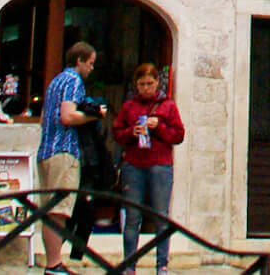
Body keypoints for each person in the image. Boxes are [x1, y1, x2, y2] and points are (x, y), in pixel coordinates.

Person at [38, 41, 106, 274]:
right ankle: (55, 263)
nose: (91, 69)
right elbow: (67, 117)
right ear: (79, 60)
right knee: (60, 211)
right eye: (90, 63)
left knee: (50, 211)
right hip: (64, 151)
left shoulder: (55, 81)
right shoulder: (73, 81)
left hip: (46, 151)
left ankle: (52, 262)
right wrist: (94, 116)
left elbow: (46, 116)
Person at [113, 64, 185, 275]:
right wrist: (130, 132)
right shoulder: (128, 107)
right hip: (134, 165)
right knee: (132, 216)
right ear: (136, 85)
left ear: (157, 83)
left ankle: (162, 264)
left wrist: (159, 127)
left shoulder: (168, 106)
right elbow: (117, 133)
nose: (146, 88)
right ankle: (129, 264)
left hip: (160, 165)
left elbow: (179, 135)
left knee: (161, 217)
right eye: (142, 84)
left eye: (150, 84)